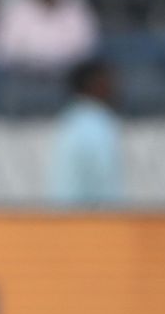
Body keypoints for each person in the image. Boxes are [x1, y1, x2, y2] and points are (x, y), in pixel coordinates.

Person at [49, 59, 123, 206]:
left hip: (68, 218)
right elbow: (104, 183)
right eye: (107, 81)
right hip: (90, 219)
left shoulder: (71, 121)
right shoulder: (95, 125)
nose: (115, 87)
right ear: (92, 85)